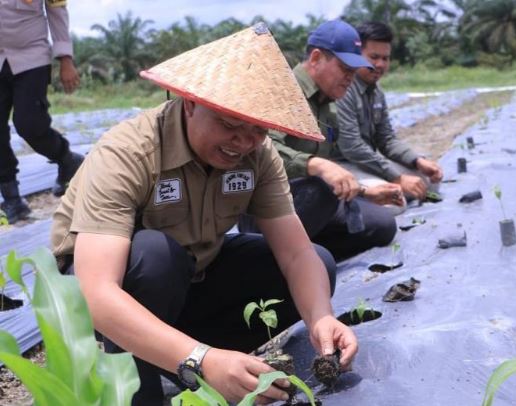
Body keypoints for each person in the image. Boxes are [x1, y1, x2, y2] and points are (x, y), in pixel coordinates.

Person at [51, 23, 357, 405]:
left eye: (259, 130)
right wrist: (200, 360)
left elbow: (295, 253)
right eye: (230, 124)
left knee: (319, 264)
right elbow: (95, 292)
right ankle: (144, 385)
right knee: (155, 255)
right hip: (110, 302)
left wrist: (321, 318)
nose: (243, 142)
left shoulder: (257, 157)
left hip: (189, 283)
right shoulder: (129, 152)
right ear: (190, 102)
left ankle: (188, 361)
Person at [244, 19, 401, 261]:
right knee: (321, 188)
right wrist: (316, 165)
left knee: (382, 224)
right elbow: (258, 151)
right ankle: (271, 257)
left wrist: (362, 191)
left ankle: (307, 254)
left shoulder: (329, 106)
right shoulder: (281, 91)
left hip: (310, 204)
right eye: (344, 68)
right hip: (266, 209)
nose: (350, 77)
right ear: (316, 58)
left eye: (353, 70)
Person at [336, 21, 443, 206]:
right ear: (356, 55)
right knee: (393, 201)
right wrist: (397, 176)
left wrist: (417, 161)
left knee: (428, 181)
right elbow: (351, 147)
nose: (380, 64)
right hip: (343, 165)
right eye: (374, 57)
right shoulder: (343, 89)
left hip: (366, 162)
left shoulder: (376, 91)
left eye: (385, 58)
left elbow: (386, 139)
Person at [0, 0, 84, 224]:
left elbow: (57, 11)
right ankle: (12, 200)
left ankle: (66, 158)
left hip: (31, 56)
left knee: (29, 124)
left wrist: (66, 59)